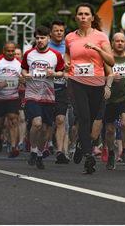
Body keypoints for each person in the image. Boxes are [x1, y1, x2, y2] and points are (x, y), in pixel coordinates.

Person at [65, 3, 114, 174]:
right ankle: (88, 156)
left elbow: (111, 61)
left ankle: (80, 143)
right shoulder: (70, 37)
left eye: (87, 14)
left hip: (97, 84)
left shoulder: (101, 37)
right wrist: (66, 62)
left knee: (92, 122)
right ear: (76, 17)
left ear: (92, 18)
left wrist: (98, 49)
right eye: (80, 14)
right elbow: (67, 54)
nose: (83, 17)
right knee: (84, 118)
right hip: (76, 82)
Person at [22, 26, 65, 170]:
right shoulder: (28, 54)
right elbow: (23, 69)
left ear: (48, 38)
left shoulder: (55, 55)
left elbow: (62, 73)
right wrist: (24, 74)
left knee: (46, 129)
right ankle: (33, 150)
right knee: (37, 123)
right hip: (32, 95)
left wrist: (54, 74)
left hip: (48, 96)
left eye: (42, 38)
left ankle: (40, 154)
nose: (40, 40)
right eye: (38, 38)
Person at [103, 33, 125, 170]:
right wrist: (108, 80)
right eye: (117, 41)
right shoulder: (107, 58)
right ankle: (111, 153)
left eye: (122, 41)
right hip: (110, 98)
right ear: (112, 42)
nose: (120, 43)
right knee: (110, 130)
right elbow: (100, 76)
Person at [0, 42, 22, 158]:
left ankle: (14, 147)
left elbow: (23, 77)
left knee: (13, 120)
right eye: (8, 51)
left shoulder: (19, 63)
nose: (10, 53)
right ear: (3, 51)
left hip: (13, 97)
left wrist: (23, 81)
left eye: (12, 51)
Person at [48, 20, 70, 164]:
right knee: (45, 124)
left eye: (61, 31)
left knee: (62, 120)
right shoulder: (45, 46)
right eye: (56, 30)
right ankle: (41, 148)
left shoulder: (69, 47)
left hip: (63, 88)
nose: (59, 33)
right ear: (51, 33)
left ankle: (61, 151)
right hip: (46, 88)